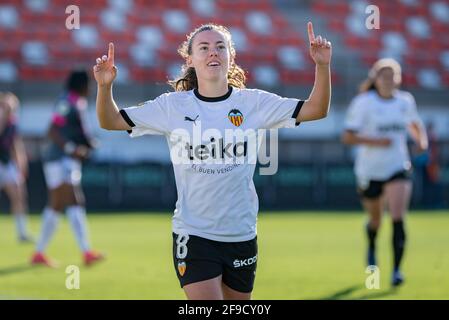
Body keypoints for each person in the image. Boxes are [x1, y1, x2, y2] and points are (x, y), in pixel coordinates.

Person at [94, 22, 331, 299]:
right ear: (190, 59)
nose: (212, 53)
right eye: (204, 48)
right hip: (193, 234)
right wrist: (104, 87)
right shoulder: (172, 106)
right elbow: (110, 121)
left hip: (241, 234)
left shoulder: (254, 103)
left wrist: (322, 66)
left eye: (220, 46)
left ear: (231, 55)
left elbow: (316, 110)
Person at [342, 58, 428, 286]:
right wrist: (376, 141)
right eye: (385, 76)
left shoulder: (405, 101)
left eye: (393, 76)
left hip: (398, 166)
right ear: (376, 79)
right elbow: (348, 136)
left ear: (399, 79)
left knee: (398, 217)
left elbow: (415, 123)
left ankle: (396, 271)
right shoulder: (364, 102)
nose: (389, 80)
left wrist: (421, 140)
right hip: (369, 170)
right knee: (376, 220)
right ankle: (371, 245)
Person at [31, 70, 104, 267]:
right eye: (88, 84)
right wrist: (72, 149)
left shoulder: (76, 102)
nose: (90, 88)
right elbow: (52, 129)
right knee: (74, 201)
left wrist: (87, 145)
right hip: (59, 159)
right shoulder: (66, 101)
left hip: (65, 160)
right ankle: (86, 252)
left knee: (59, 205)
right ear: (80, 85)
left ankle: (39, 253)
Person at [0, 92, 33, 243]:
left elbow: (16, 145)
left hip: (6, 164)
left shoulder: (13, 123)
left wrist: (21, 163)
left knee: (19, 195)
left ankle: (22, 232)